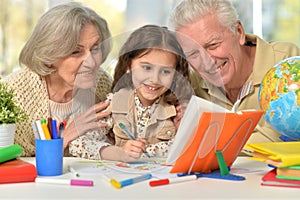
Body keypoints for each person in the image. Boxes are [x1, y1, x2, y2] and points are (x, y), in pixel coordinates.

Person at [4, 2, 139, 162]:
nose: (92, 62)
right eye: (76, 51)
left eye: (95, 48)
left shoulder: (102, 82)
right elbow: (15, 162)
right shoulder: (13, 93)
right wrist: (67, 135)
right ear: (49, 57)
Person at [169, 0, 300, 144]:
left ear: (238, 32)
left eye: (213, 45)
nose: (206, 61)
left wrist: (212, 139)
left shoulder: (287, 63)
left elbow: (286, 137)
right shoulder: (191, 85)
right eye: (193, 53)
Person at [109, 25, 194, 158]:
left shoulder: (177, 111)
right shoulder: (113, 103)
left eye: (166, 71)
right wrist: (117, 152)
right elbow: (80, 144)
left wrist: (184, 130)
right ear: (128, 66)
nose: (155, 79)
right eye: (146, 68)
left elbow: (190, 149)